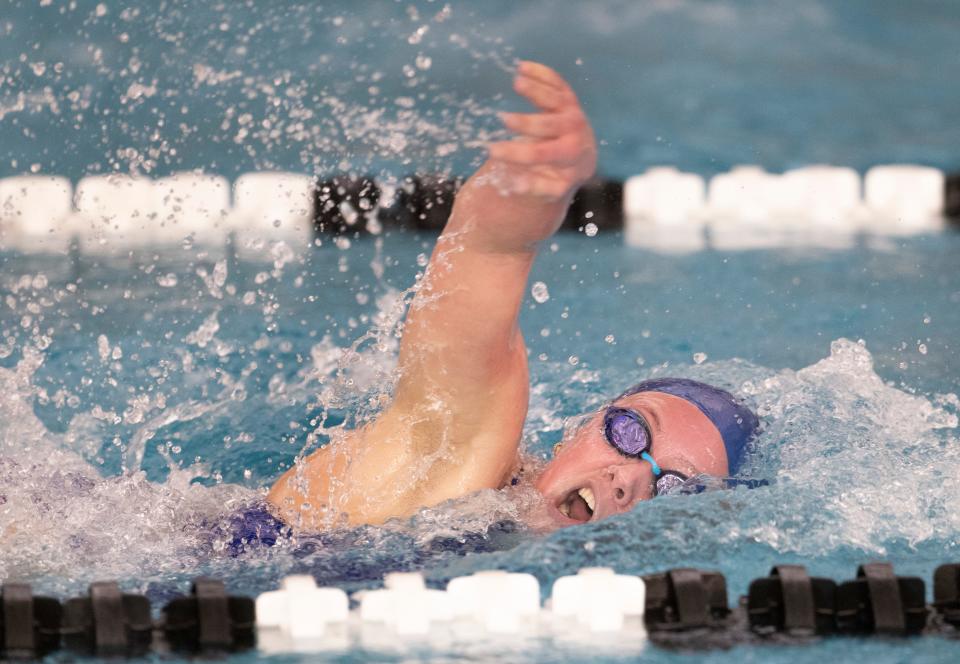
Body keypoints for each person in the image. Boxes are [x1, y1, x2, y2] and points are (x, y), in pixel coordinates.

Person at [265, 61, 759, 532]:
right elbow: (487, 252)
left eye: (674, 486)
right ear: (579, 429)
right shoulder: (457, 472)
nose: (628, 479)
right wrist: (535, 193)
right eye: (631, 433)